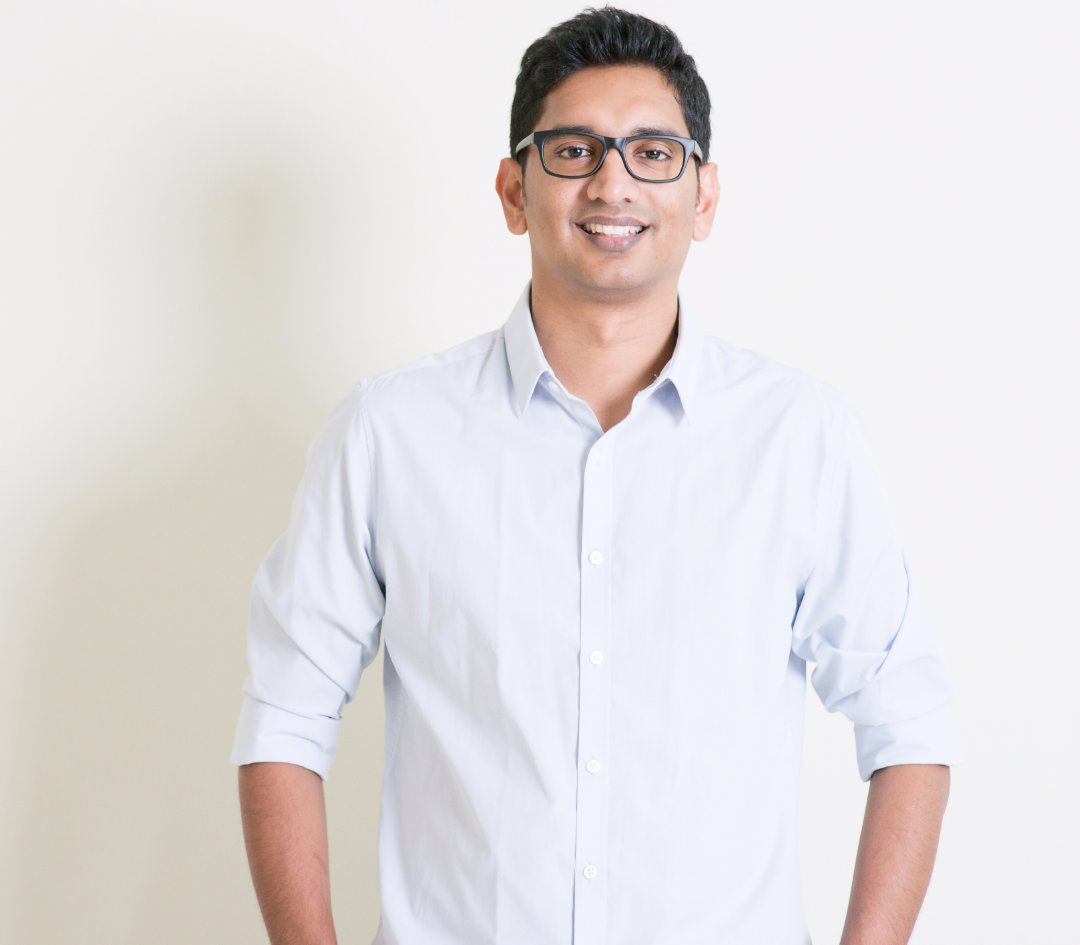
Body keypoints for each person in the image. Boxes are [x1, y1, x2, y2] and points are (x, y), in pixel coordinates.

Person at [231, 8, 959, 944]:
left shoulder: (800, 438)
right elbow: (285, 721)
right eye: (574, 149)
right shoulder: (387, 434)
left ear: (704, 197)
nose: (612, 181)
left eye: (654, 152)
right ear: (512, 188)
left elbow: (909, 727)